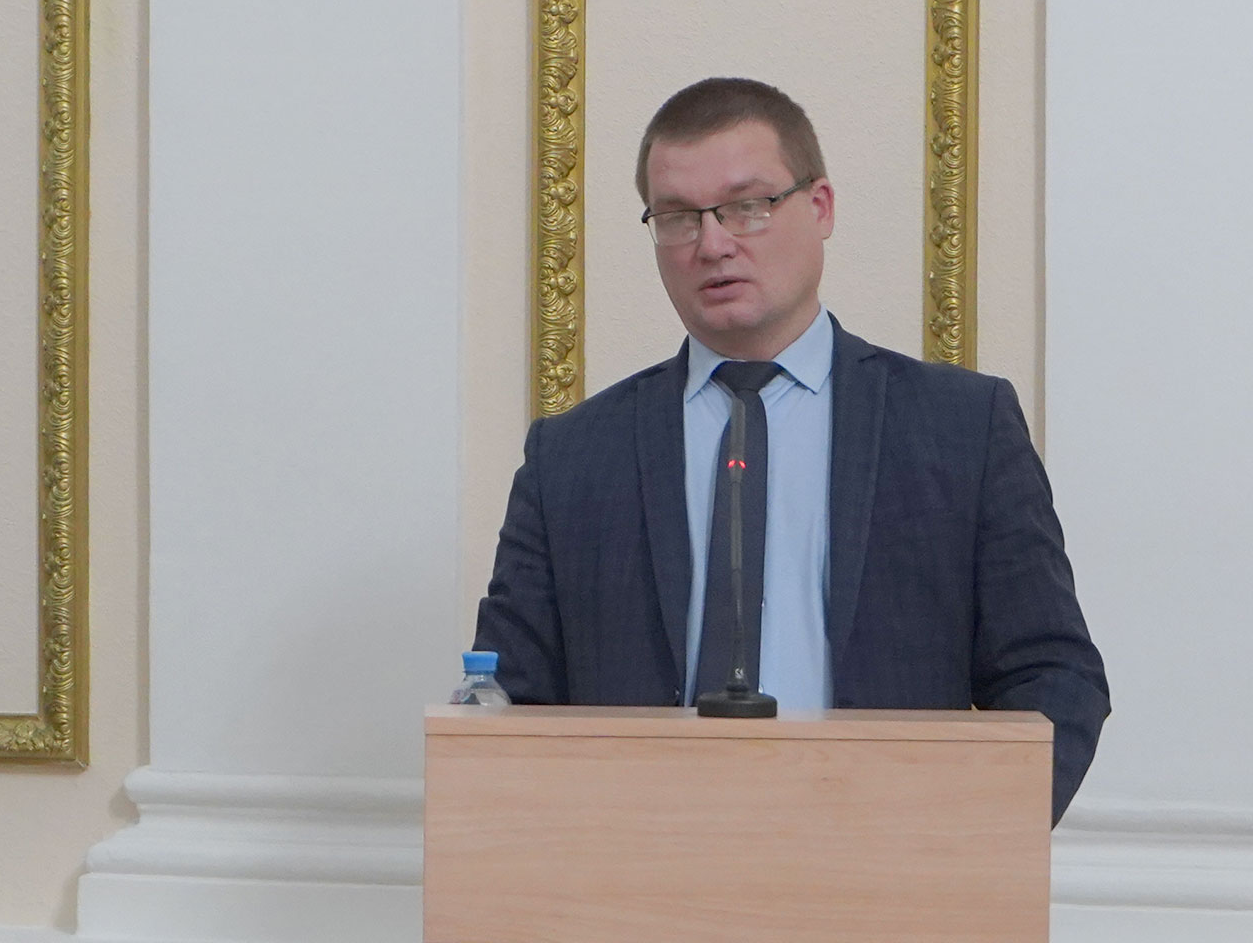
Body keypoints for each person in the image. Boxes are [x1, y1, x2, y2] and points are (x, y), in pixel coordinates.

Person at [473, 77, 1109, 824]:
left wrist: (965, 843)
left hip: (887, 861)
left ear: (821, 206)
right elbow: (511, 701)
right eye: (677, 217)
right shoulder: (573, 456)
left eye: (747, 206)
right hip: (642, 859)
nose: (713, 243)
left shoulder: (961, 428)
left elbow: (1053, 677)